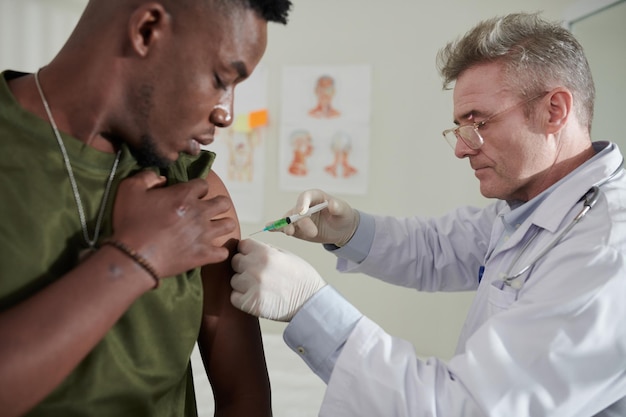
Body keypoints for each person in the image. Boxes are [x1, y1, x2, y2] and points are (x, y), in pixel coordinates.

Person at [229, 12, 626, 416]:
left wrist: (309, 306)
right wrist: (350, 229)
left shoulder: (604, 252)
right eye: (459, 128)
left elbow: (464, 408)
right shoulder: (533, 206)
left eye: (479, 123)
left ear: (554, 111)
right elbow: (438, 248)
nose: (462, 148)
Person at [0, 0, 291, 416]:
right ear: (147, 29)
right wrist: (142, 254)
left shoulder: (197, 191)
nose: (227, 113)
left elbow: (243, 398)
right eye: (220, 78)